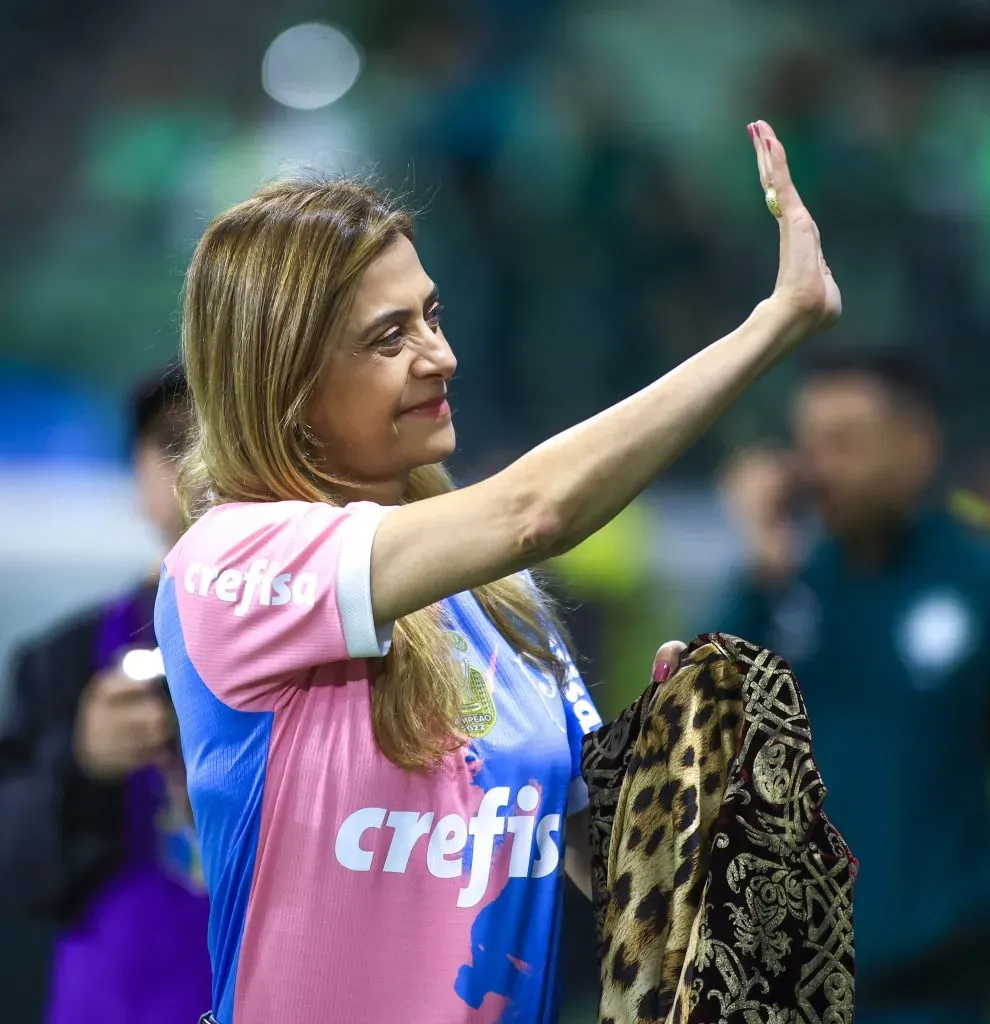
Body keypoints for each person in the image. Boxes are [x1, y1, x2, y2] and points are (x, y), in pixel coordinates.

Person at [155, 119, 839, 1024]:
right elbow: (532, 513)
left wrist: (676, 785)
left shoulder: (500, 601)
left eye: (431, 316)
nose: (440, 356)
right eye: (388, 336)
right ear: (287, 379)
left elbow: (607, 878)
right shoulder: (229, 563)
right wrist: (774, 321)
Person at [713, 350, 990, 1024]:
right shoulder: (784, 591)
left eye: (843, 443)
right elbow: (698, 731)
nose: (816, 468)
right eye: (806, 444)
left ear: (916, 448)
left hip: (942, 988)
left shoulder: (974, 583)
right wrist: (760, 561)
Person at [0, 366, 212, 1024]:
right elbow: (18, 867)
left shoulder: (337, 645)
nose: (203, 467)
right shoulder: (63, 661)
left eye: (228, 440)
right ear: (138, 477)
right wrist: (83, 761)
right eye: (176, 442)